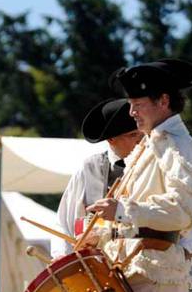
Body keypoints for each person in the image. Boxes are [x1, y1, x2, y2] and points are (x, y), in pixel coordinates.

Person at [85, 59, 192, 292]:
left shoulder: (177, 146)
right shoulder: (150, 145)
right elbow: (137, 212)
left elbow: (181, 213)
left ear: (163, 101)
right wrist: (100, 233)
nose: (131, 112)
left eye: (138, 104)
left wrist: (122, 211)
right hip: (132, 273)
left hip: (155, 278)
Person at [51, 98, 143, 258]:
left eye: (143, 134)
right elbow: (64, 223)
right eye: (133, 135)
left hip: (143, 264)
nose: (140, 140)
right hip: (97, 266)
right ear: (111, 139)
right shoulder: (90, 168)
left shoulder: (154, 165)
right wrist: (63, 259)